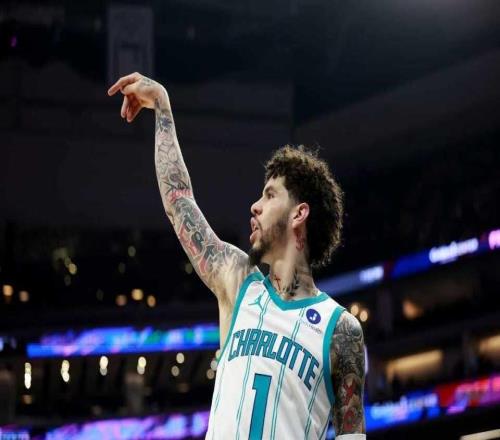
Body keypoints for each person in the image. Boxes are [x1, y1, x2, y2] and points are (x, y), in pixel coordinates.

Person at [108, 72, 366, 440]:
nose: (255, 206)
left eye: (270, 195)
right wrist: (162, 107)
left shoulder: (340, 329)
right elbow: (179, 202)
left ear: (299, 213)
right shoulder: (240, 282)